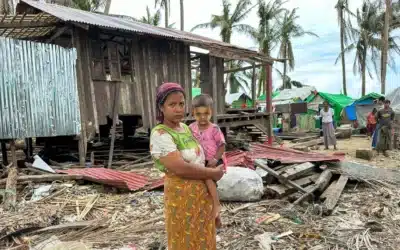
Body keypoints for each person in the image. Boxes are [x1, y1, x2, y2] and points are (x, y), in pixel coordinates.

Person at [150, 83, 224, 250]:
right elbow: (180, 168)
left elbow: (198, 158)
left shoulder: (185, 128)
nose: (178, 109)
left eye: (181, 104)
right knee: (184, 239)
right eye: (172, 104)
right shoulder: (160, 133)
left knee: (204, 239)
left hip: (201, 197)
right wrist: (212, 173)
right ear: (162, 107)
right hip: (181, 198)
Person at [189, 94, 225, 228]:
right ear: (193, 113)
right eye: (198, 114)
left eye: (206, 114)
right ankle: (202, 215)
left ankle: (217, 207)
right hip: (198, 161)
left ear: (211, 112)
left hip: (213, 161)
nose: (202, 117)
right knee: (199, 187)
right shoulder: (191, 128)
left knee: (208, 179)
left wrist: (215, 159)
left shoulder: (214, 129)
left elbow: (222, 145)